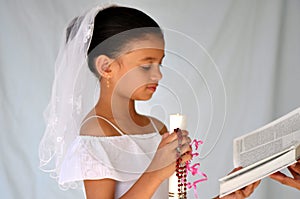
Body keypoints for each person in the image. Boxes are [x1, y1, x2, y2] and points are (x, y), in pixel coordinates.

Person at [39, 5, 260, 199]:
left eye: (160, 64)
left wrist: (226, 197)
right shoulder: (96, 136)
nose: (158, 75)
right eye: (146, 65)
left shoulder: (157, 128)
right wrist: (157, 170)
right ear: (106, 67)